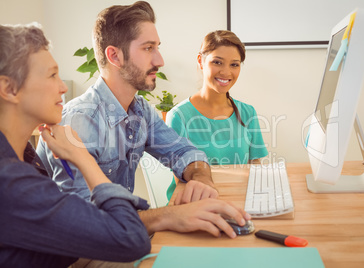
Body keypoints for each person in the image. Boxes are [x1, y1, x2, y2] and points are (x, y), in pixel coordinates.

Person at [36, 0, 250, 242]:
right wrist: (170, 216)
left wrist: (201, 179)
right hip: (76, 251)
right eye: (148, 48)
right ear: (114, 56)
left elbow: (183, 151)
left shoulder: (139, 110)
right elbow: (83, 225)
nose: (160, 60)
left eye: (157, 48)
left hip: (117, 235)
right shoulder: (81, 122)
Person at [0, 23, 152, 268]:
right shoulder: (10, 182)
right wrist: (83, 158)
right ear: (9, 88)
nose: (63, 87)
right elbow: (129, 237)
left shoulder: (25, 159)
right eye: (52, 75)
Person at [165, 30, 268, 199]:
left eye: (234, 64)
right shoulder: (179, 116)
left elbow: (254, 166)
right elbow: (181, 184)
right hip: (196, 206)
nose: (226, 72)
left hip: (239, 201)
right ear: (201, 61)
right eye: (217, 62)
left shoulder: (248, 113)